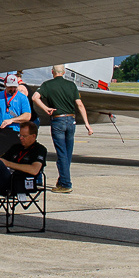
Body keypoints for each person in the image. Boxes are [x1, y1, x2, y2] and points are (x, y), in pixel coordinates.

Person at [32, 65, 92, 194]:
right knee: (67, 153)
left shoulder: (47, 85)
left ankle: (66, 183)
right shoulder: (71, 85)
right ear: (64, 72)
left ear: (52, 72)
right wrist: (87, 123)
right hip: (71, 121)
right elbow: (80, 104)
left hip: (58, 120)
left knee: (61, 153)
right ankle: (62, 180)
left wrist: (46, 108)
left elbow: (35, 97)